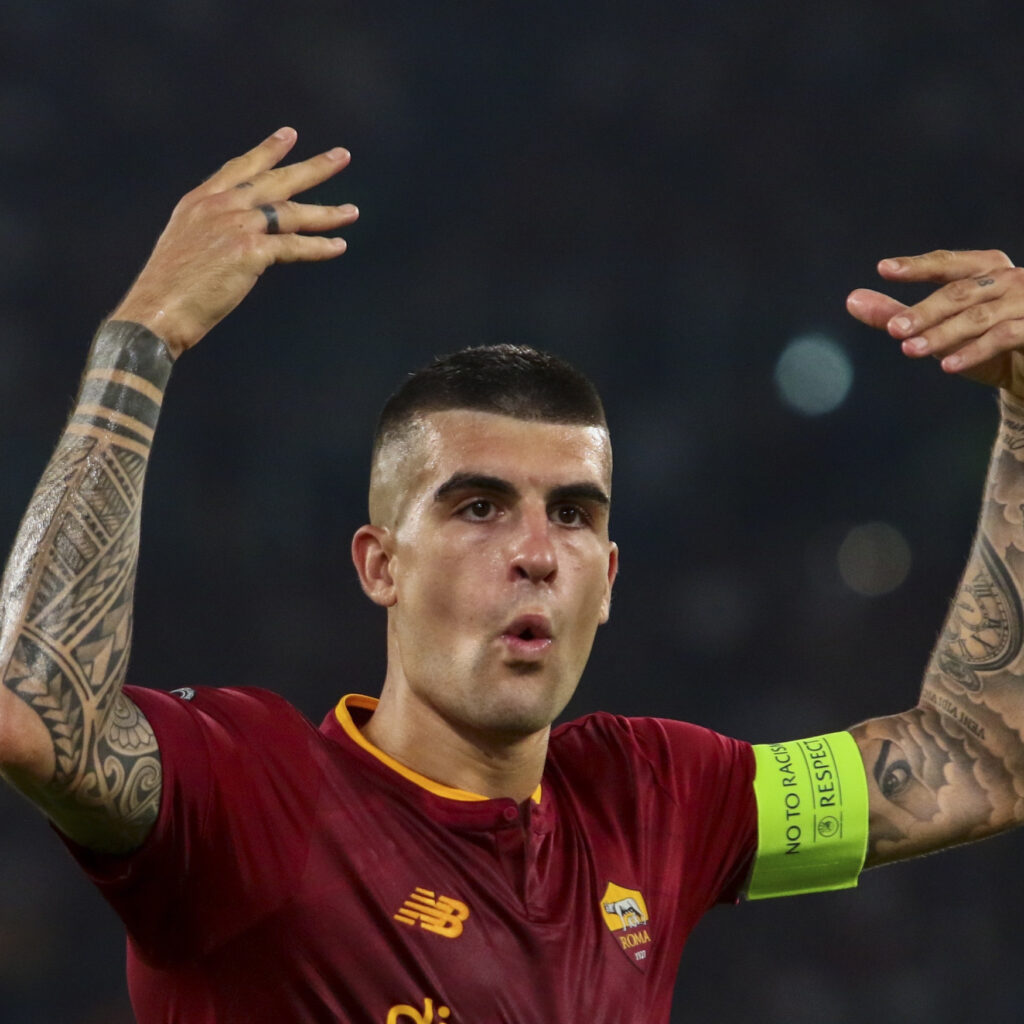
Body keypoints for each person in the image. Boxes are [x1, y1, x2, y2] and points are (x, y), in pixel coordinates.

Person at [2, 128, 1024, 1024]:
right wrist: (141, 341)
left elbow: (980, 762)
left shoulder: (655, 802)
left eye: (572, 514)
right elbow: (35, 713)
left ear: (608, 579)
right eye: (479, 507)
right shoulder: (260, 799)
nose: (536, 552)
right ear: (380, 564)